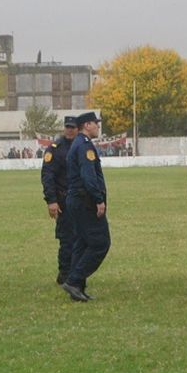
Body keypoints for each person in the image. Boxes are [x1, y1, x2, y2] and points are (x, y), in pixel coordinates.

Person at [61, 111, 109, 302]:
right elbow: (88, 176)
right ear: (87, 125)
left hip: (77, 200)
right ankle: (73, 281)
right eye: (95, 123)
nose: (98, 127)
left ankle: (77, 289)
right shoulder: (85, 146)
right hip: (86, 201)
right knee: (100, 243)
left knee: (81, 245)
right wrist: (98, 199)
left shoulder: (78, 144)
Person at [41, 116, 79, 288]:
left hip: (81, 201)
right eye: (67, 127)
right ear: (64, 128)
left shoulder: (82, 145)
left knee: (81, 239)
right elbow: (47, 176)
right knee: (66, 239)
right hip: (63, 201)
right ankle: (64, 274)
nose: (70, 130)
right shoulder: (55, 149)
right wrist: (51, 201)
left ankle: (76, 273)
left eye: (73, 127)